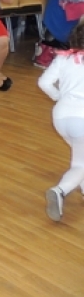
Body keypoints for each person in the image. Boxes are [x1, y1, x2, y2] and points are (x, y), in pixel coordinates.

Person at [39, 21, 84, 222]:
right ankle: (59, 191)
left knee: (80, 157)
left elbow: (43, 82)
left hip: (61, 116)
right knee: (81, 164)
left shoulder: (64, 58)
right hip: (82, 119)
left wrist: (59, 97)